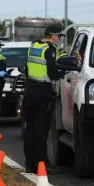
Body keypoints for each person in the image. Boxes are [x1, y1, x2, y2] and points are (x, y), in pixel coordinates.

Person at [23, 25, 67, 174]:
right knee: (41, 130)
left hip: (30, 92)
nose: (59, 39)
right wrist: (64, 72)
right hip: (43, 93)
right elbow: (53, 74)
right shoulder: (50, 49)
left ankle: (30, 163)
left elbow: (27, 69)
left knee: (30, 129)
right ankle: (42, 163)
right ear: (53, 36)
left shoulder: (33, 45)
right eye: (59, 36)